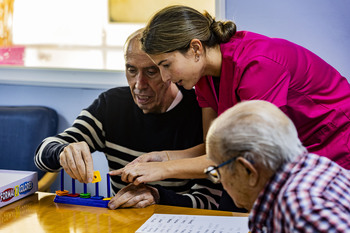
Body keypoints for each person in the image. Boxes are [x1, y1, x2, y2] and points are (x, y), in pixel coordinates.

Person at [113, 4, 350, 211]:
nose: (164, 77)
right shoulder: (203, 76)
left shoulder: (258, 66)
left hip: (334, 143)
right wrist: (162, 158)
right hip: (286, 150)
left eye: (166, 65)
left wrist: (164, 171)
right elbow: (213, 149)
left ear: (196, 49)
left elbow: (247, 155)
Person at [34, 29, 222, 210]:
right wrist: (63, 151)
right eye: (131, 70)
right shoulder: (110, 105)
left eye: (151, 72)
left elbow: (210, 200)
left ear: (168, 71)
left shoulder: (202, 112)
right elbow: (42, 155)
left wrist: (157, 196)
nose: (139, 84)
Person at [205, 100, 350, 232]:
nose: (222, 183)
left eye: (218, 172)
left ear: (247, 170)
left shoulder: (302, 207)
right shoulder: (313, 166)